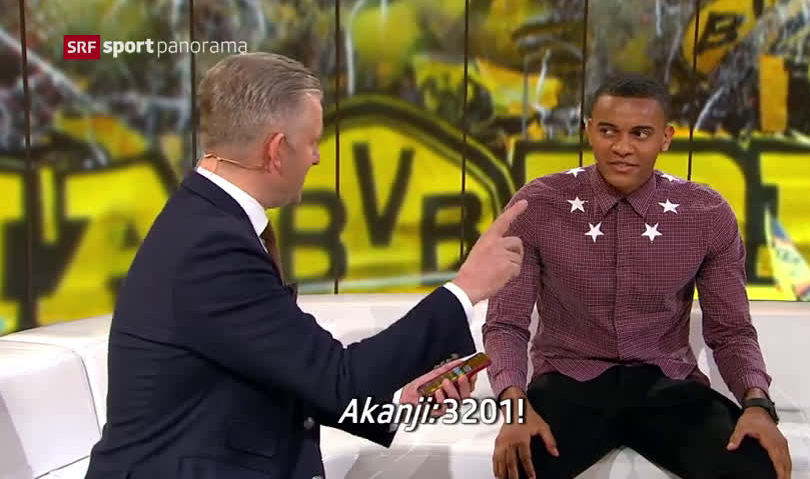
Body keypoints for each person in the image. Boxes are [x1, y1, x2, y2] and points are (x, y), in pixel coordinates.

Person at [84, 52, 529, 479]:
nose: (317, 157)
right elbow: (339, 378)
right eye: (313, 142)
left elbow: (297, 373)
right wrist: (466, 288)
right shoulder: (213, 246)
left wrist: (398, 404)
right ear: (277, 150)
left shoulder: (206, 220)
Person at [484, 73, 791, 479]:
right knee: (520, 466)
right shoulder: (538, 205)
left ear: (666, 138)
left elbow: (731, 331)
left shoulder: (706, 214)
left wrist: (757, 405)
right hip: (567, 382)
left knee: (758, 467)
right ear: (589, 131)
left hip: (668, 385)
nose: (622, 148)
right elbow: (505, 324)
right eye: (608, 131)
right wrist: (514, 409)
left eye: (640, 134)